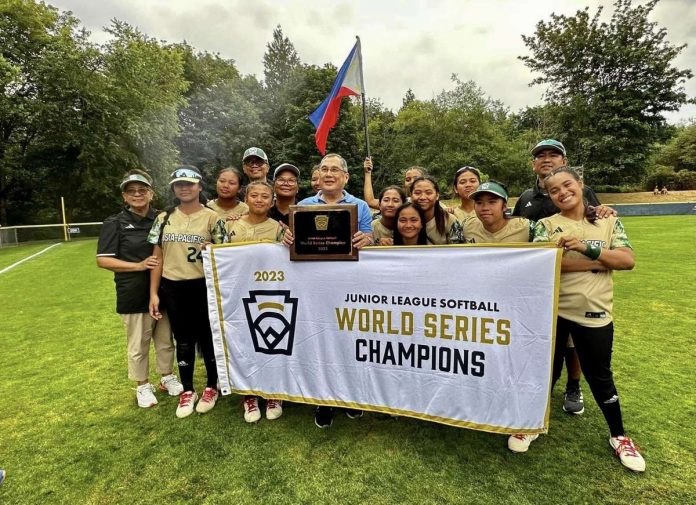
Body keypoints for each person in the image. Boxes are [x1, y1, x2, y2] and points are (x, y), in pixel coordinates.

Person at [509, 166, 645, 473]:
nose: (562, 192)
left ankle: (620, 436)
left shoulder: (607, 219)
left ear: (580, 184)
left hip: (593, 311)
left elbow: (627, 260)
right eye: (554, 190)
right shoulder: (545, 225)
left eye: (567, 185)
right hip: (551, 311)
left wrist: (584, 248)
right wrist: (596, 262)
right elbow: (543, 265)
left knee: (599, 376)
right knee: (546, 372)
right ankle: (531, 424)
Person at [512, 139, 613, 415]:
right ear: (533, 164)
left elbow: (599, 224)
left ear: (564, 162)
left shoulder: (584, 191)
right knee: (545, 343)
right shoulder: (525, 197)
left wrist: (605, 211)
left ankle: (573, 385)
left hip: (576, 290)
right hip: (539, 284)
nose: (546, 159)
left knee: (574, 344)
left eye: (553, 155)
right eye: (540, 156)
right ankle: (536, 393)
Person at [297, 153, 373, 428]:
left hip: (348, 285)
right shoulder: (304, 205)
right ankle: (324, 400)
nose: (328, 174)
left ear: (345, 177)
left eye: (334, 170)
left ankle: (350, 397)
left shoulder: (360, 205)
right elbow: (293, 243)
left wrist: (368, 237)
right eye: (324, 169)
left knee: (349, 342)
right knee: (321, 342)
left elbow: (368, 236)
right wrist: (288, 239)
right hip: (315, 287)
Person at [97, 169, 182, 408]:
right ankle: (142, 385)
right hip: (132, 292)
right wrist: (139, 265)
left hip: (164, 291)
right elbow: (103, 260)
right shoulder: (115, 223)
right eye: (131, 191)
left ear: (151, 193)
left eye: (142, 190)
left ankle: (166, 377)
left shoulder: (162, 218)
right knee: (139, 343)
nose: (137, 195)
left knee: (165, 340)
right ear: (124, 196)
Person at [147, 166, 226, 418]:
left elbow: (226, 254)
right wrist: (153, 293)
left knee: (207, 338)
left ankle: (212, 386)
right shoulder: (164, 217)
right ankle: (188, 390)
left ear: (200, 187)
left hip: (203, 285)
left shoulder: (212, 217)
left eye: (190, 184)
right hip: (173, 286)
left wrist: (212, 246)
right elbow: (156, 257)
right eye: (179, 184)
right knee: (182, 339)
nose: (184, 187)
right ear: (173, 188)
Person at [226, 181, 288, 422]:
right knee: (244, 343)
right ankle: (249, 394)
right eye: (255, 195)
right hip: (237, 295)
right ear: (247, 199)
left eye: (265, 196)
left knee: (272, 341)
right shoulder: (228, 226)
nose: (260, 200)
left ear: (272, 201)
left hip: (270, 294)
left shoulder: (280, 230)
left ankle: (274, 392)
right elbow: (219, 255)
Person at [463, 181, 534, 243]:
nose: (485, 208)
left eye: (492, 202)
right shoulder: (467, 227)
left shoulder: (527, 228)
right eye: (479, 203)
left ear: (504, 207)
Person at [410, 176, 464, 244]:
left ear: (437, 196)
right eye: (417, 193)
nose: (423, 197)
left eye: (428, 193)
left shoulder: (449, 220)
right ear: (411, 196)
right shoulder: (404, 220)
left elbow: (458, 250)